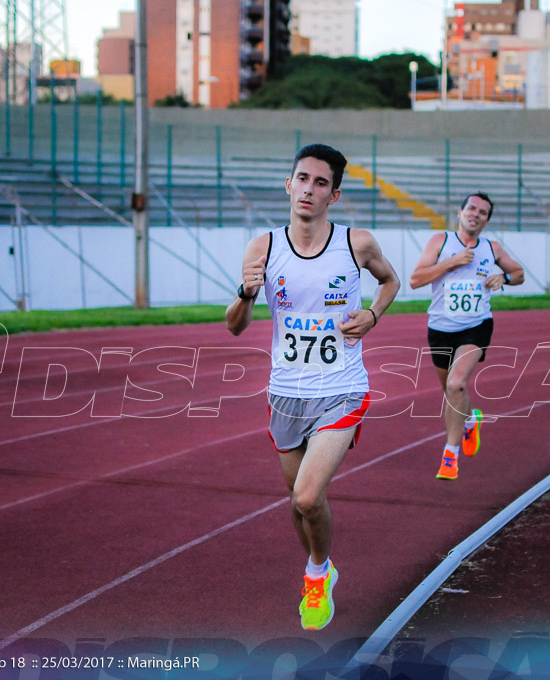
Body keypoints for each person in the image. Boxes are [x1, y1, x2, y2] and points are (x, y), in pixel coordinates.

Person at [226, 143, 400, 631]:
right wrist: (245, 294)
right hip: (285, 391)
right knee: (302, 504)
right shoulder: (262, 247)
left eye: (320, 183)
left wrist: (372, 313)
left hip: (342, 387)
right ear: (289, 184)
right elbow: (235, 325)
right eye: (302, 178)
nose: (309, 189)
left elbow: (391, 282)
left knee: (306, 496)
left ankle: (317, 574)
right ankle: (318, 564)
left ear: (334, 195)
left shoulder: (356, 244)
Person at [409, 192, 524, 480]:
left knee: (457, 383)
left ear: (486, 220)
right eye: (471, 208)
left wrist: (504, 278)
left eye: (483, 212)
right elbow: (415, 280)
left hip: (476, 325)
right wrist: (452, 262)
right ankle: (471, 419)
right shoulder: (440, 242)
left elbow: (519, 273)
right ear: (460, 213)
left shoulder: (492, 247)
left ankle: (450, 455)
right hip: (440, 328)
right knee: (450, 392)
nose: (476, 214)